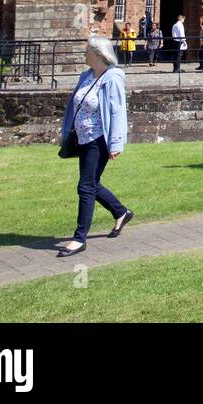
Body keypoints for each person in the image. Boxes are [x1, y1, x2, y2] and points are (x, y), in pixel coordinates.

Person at [56, 36, 132, 257]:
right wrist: (65, 133)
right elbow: (74, 107)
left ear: (98, 54)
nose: (84, 53)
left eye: (87, 50)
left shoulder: (113, 78)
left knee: (85, 186)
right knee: (92, 184)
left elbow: (118, 111)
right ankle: (121, 212)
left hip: (99, 140)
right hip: (82, 137)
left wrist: (116, 143)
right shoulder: (86, 76)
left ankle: (79, 239)